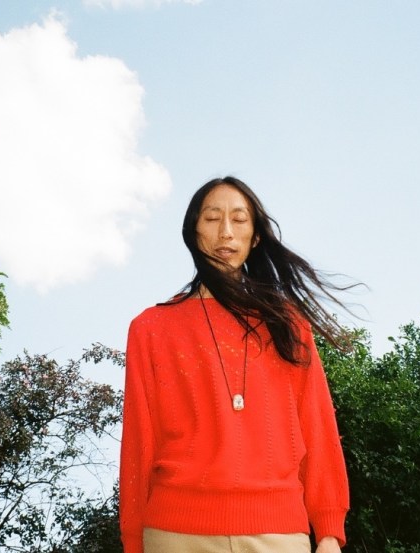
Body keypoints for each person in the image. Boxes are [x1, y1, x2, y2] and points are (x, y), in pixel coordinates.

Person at [120, 176, 351, 553]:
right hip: (176, 533)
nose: (225, 231)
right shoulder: (151, 329)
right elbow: (139, 442)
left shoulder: (289, 325)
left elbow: (317, 425)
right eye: (212, 218)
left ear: (255, 236)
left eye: (239, 219)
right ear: (193, 232)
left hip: (278, 534)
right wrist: (132, 540)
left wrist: (328, 532)